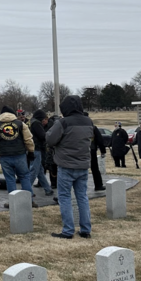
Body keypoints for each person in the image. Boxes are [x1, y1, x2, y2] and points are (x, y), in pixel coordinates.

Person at [46, 95, 94, 239]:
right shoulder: (89, 122)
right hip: (83, 165)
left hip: (66, 165)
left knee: (65, 197)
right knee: (82, 197)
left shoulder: (63, 122)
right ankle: (85, 229)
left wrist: (55, 124)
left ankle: (68, 230)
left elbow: (50, 139)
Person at [0, 105, 36, 206]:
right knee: (24, 177)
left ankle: (13, 203)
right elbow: (28, 139)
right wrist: (31, 151)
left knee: (10, 179)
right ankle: (29, 201)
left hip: (4, 156)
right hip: (20, 154)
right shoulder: (20, 124)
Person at [29, 109, 53, 198]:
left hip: (33, 148)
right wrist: (50, 134)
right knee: (34, 170)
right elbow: (43, 136)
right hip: (36, 148)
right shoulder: (36, 123)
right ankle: (27, 190)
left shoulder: (32, 122)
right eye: (44, 120)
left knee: (40, 171)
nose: (44, 122)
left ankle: (48, 189)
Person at [89, 121, 107, 192]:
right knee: (95, 168)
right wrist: (103, 151)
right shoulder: (93, 127)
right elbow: (100, 140)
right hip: (92, 150)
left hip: (79, 151)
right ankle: (98, 185)